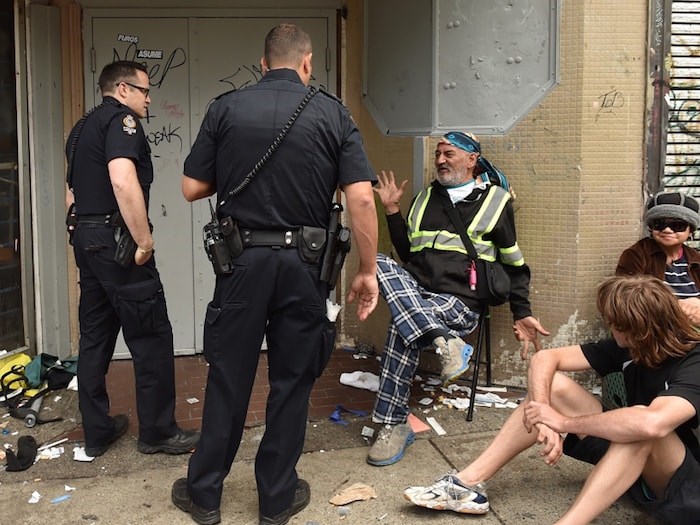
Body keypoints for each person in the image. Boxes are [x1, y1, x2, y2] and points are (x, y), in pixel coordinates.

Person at [170, 24, 379, 525]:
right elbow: (362, 197)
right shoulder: (333, 113)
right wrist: (368, 270)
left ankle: (205, 496)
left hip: (241, 264)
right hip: (306, 268)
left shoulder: (226, 108)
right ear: (307, 64)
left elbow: (191, 187)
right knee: (292, 381)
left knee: (228, 377)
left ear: (262, 64)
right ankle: (276, 499)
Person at [404, 274, 700, 524]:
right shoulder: (630, 345)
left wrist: (563, 422)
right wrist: (543, 415)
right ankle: (466, 484)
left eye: (613, 323)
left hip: (684, 490)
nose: (609, 327)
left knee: (642, 424)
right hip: (632, 465)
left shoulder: (693, 361)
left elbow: (651, 423)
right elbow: (546, 358)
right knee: (553, 387)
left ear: (638, 328)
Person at [367, 131, 549, 467]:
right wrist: (392, 209)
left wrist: (522, 312)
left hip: (460, 303)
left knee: (400, 328)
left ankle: (392, 424)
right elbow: (407, 254)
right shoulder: (424, 199)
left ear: (471, 158)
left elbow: (515, 265)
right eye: (437, 154)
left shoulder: (495, 201)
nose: (439, 160)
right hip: (419, 294)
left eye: (449, 154)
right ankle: (443, 341)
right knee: (374, 262)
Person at [65, 60, 199, 458]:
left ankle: (97, 431)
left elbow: (72, 191)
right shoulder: (122, 123)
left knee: (95, 337)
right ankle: (158, 432)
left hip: (87, 240)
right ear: (122, 89)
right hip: (118, 243)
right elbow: (122, 179)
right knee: (152, 336)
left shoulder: (80, 128)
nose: (148, 98)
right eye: (144, 90)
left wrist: (80, 233)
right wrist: (143, 241)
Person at [617, 190, 700, 324]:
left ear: (690, 230)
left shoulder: (696, 259)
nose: (667, 230)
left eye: (677, 225)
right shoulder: (636, 255)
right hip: (655, 331)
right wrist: (678, 307)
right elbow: (626, 299)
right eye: (659, 224)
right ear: (651, 227)